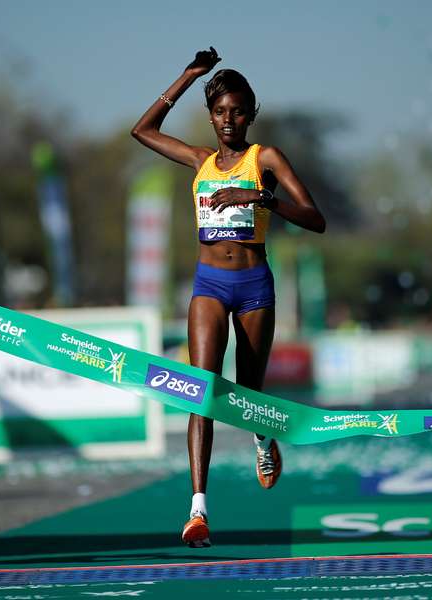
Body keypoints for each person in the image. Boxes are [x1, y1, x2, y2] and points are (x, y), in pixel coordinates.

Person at [131, 48, 325, 547]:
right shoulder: (201, 161)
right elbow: (143, 131)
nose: (228, 121)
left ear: (250, 114)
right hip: (209, 285)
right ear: (210, 115)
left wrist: (259, 197)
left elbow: (314, 218)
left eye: (237, 111)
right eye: (219, 112)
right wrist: (189, 75)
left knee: (250, 389)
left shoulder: (268, 159)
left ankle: (263, 436)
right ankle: (198, 511)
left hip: (255, 285)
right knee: (203, 389)